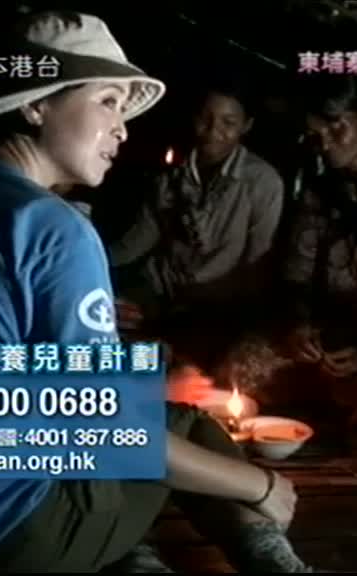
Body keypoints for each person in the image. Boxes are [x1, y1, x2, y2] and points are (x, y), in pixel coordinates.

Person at [0, 12, 312, 573]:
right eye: (108, 102)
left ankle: (128, 548)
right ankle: (268, 560)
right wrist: (262, 485)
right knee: (179, 423)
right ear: (35, 105)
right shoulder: (52, 227)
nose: (123, 129)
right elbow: (108, 429)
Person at [216, 76, 357, 430]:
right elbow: (297, 275)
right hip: (328, 340)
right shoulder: (320, 189)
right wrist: (300, 329)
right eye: (315, 134)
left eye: (336, 128)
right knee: (239, 367)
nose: (325, 143)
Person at [109, 79, 285, 372]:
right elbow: (140, 237)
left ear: (246, 126)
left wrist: (205, 310)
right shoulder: (173, 172)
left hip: (215, 305)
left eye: (228, 122)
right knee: (114, 326)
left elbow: (256, 266)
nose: (213, 131)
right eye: (205, 118)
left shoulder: (262, 182)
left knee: (183, 365)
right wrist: (95, 263)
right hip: (158, 289)